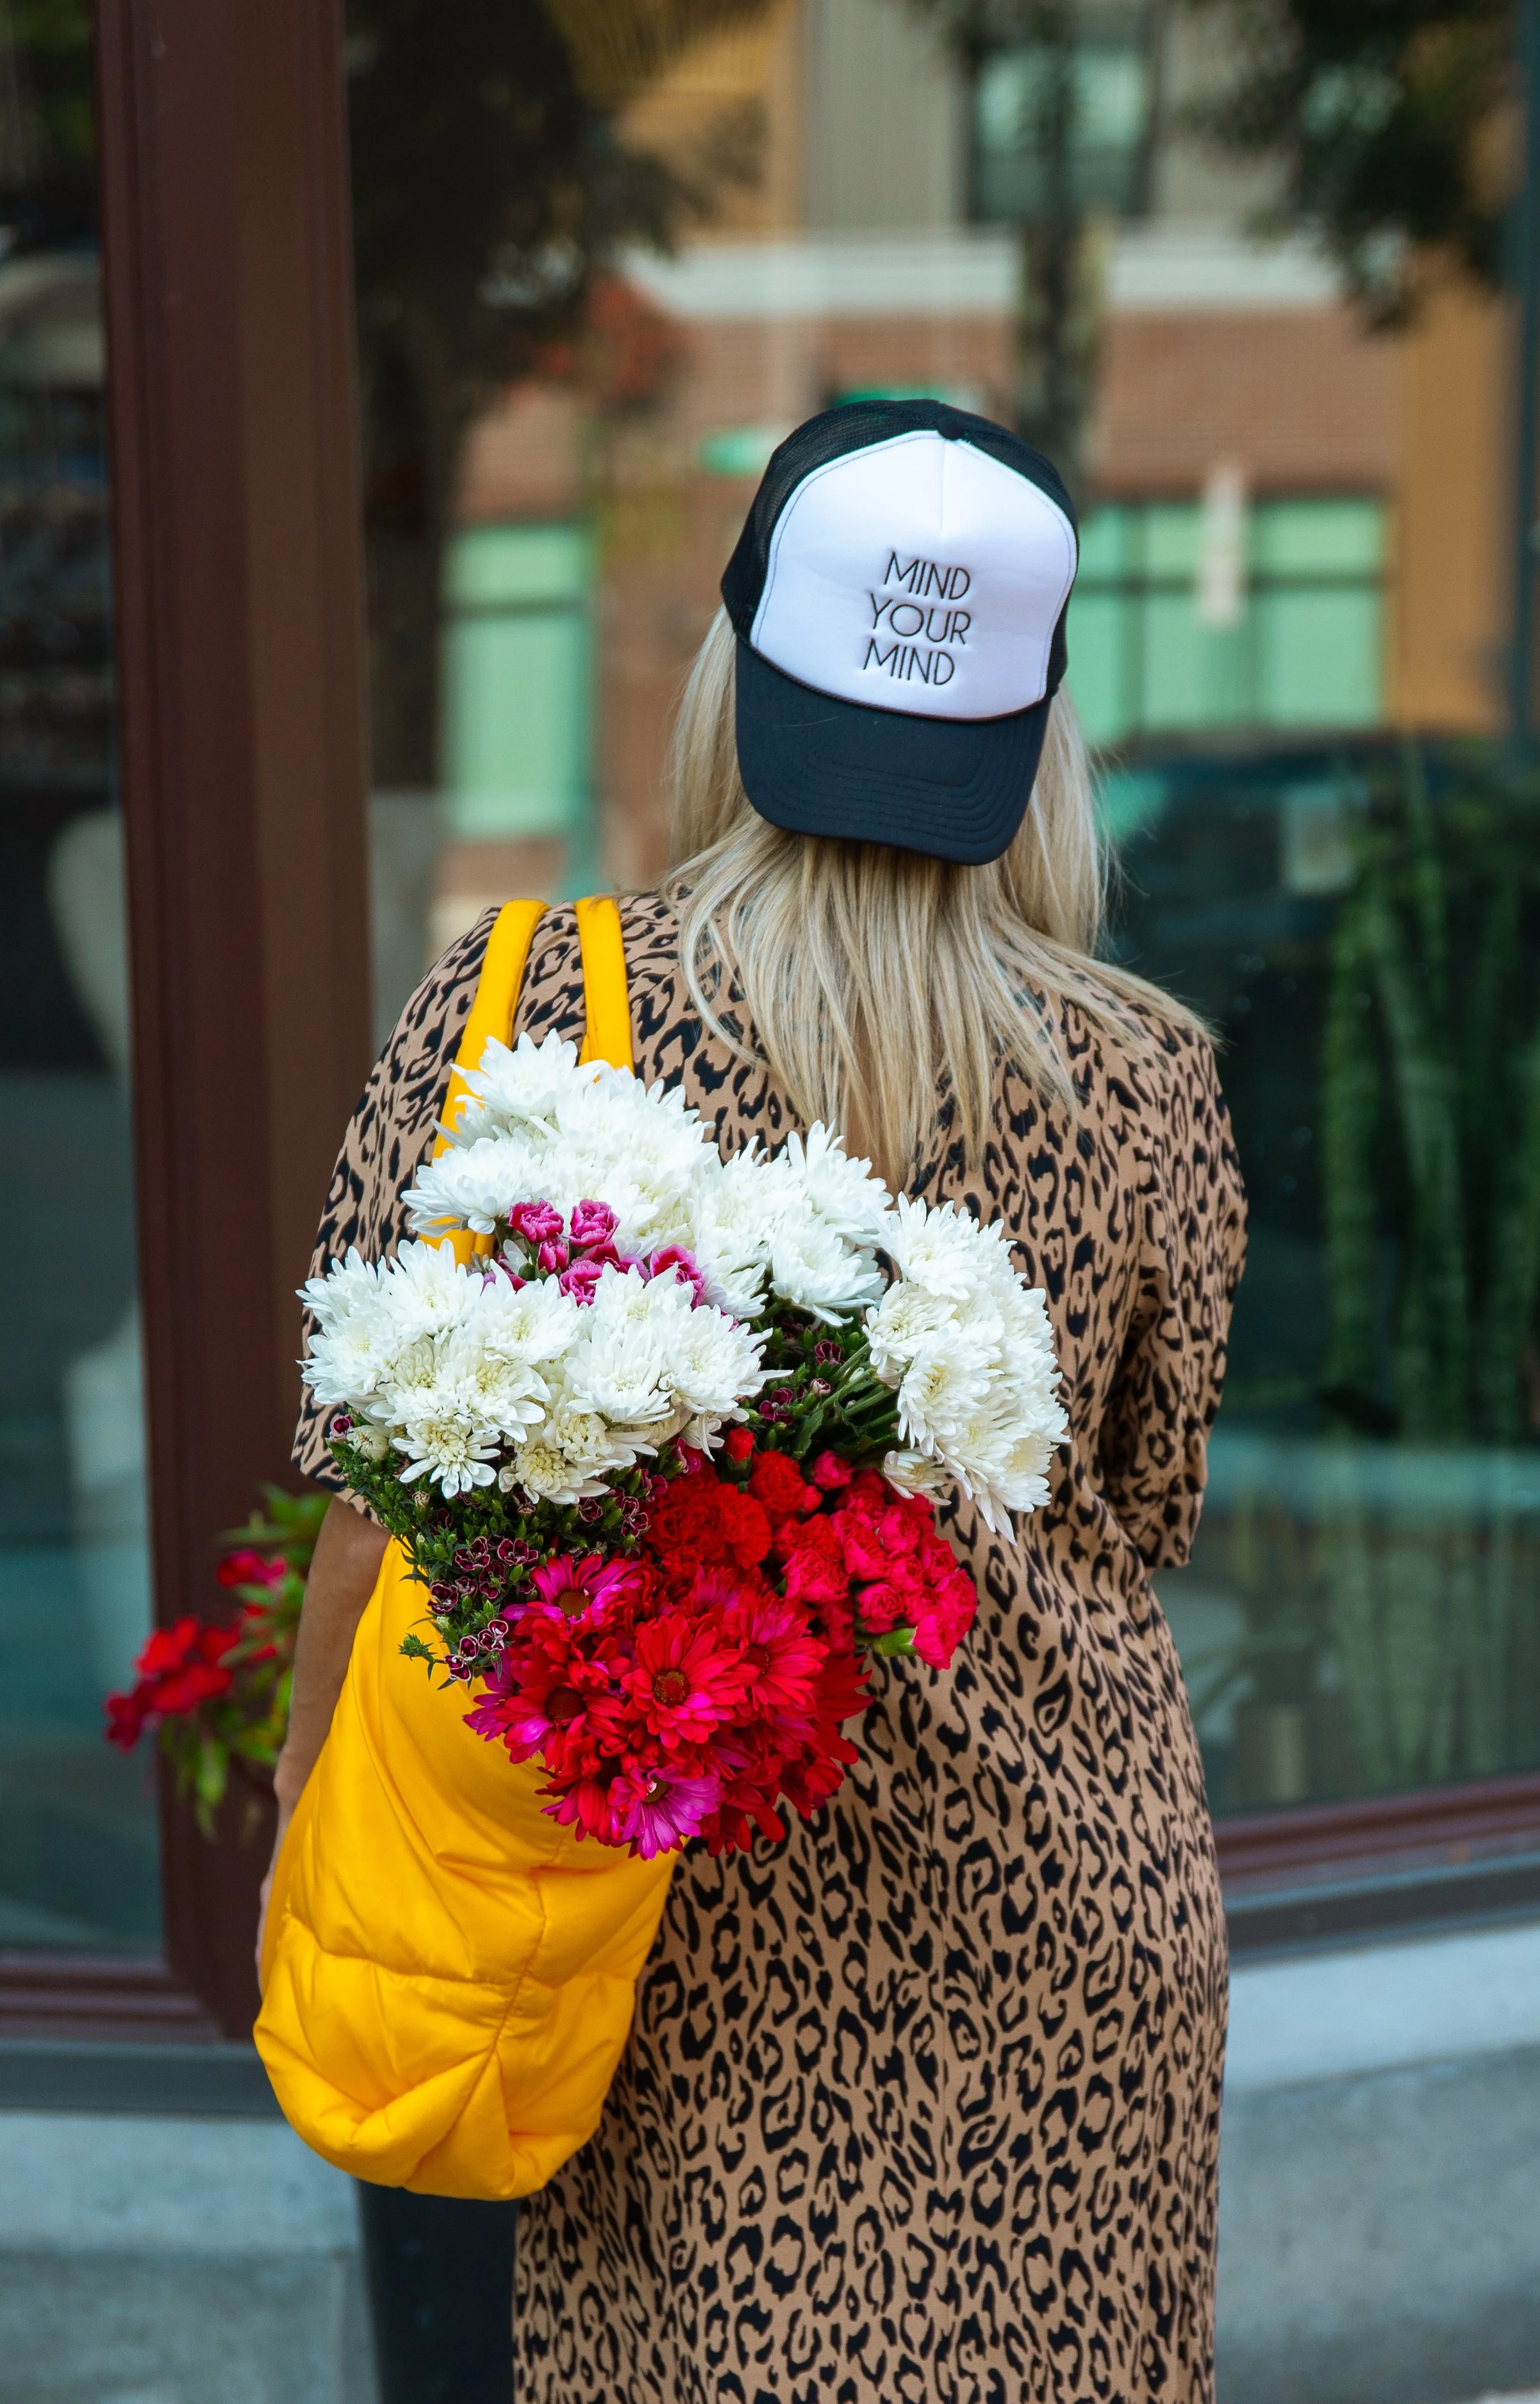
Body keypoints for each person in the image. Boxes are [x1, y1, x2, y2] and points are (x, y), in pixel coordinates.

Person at [269, 397, 1246, 2404]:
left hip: (662, 1934)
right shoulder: (1145, 1076)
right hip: (1073, 1930)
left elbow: (373, 1494)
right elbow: (1142, 1504)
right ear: (1041, 738)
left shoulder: (525, 1005)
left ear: (732, 668)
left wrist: (315, 1831)